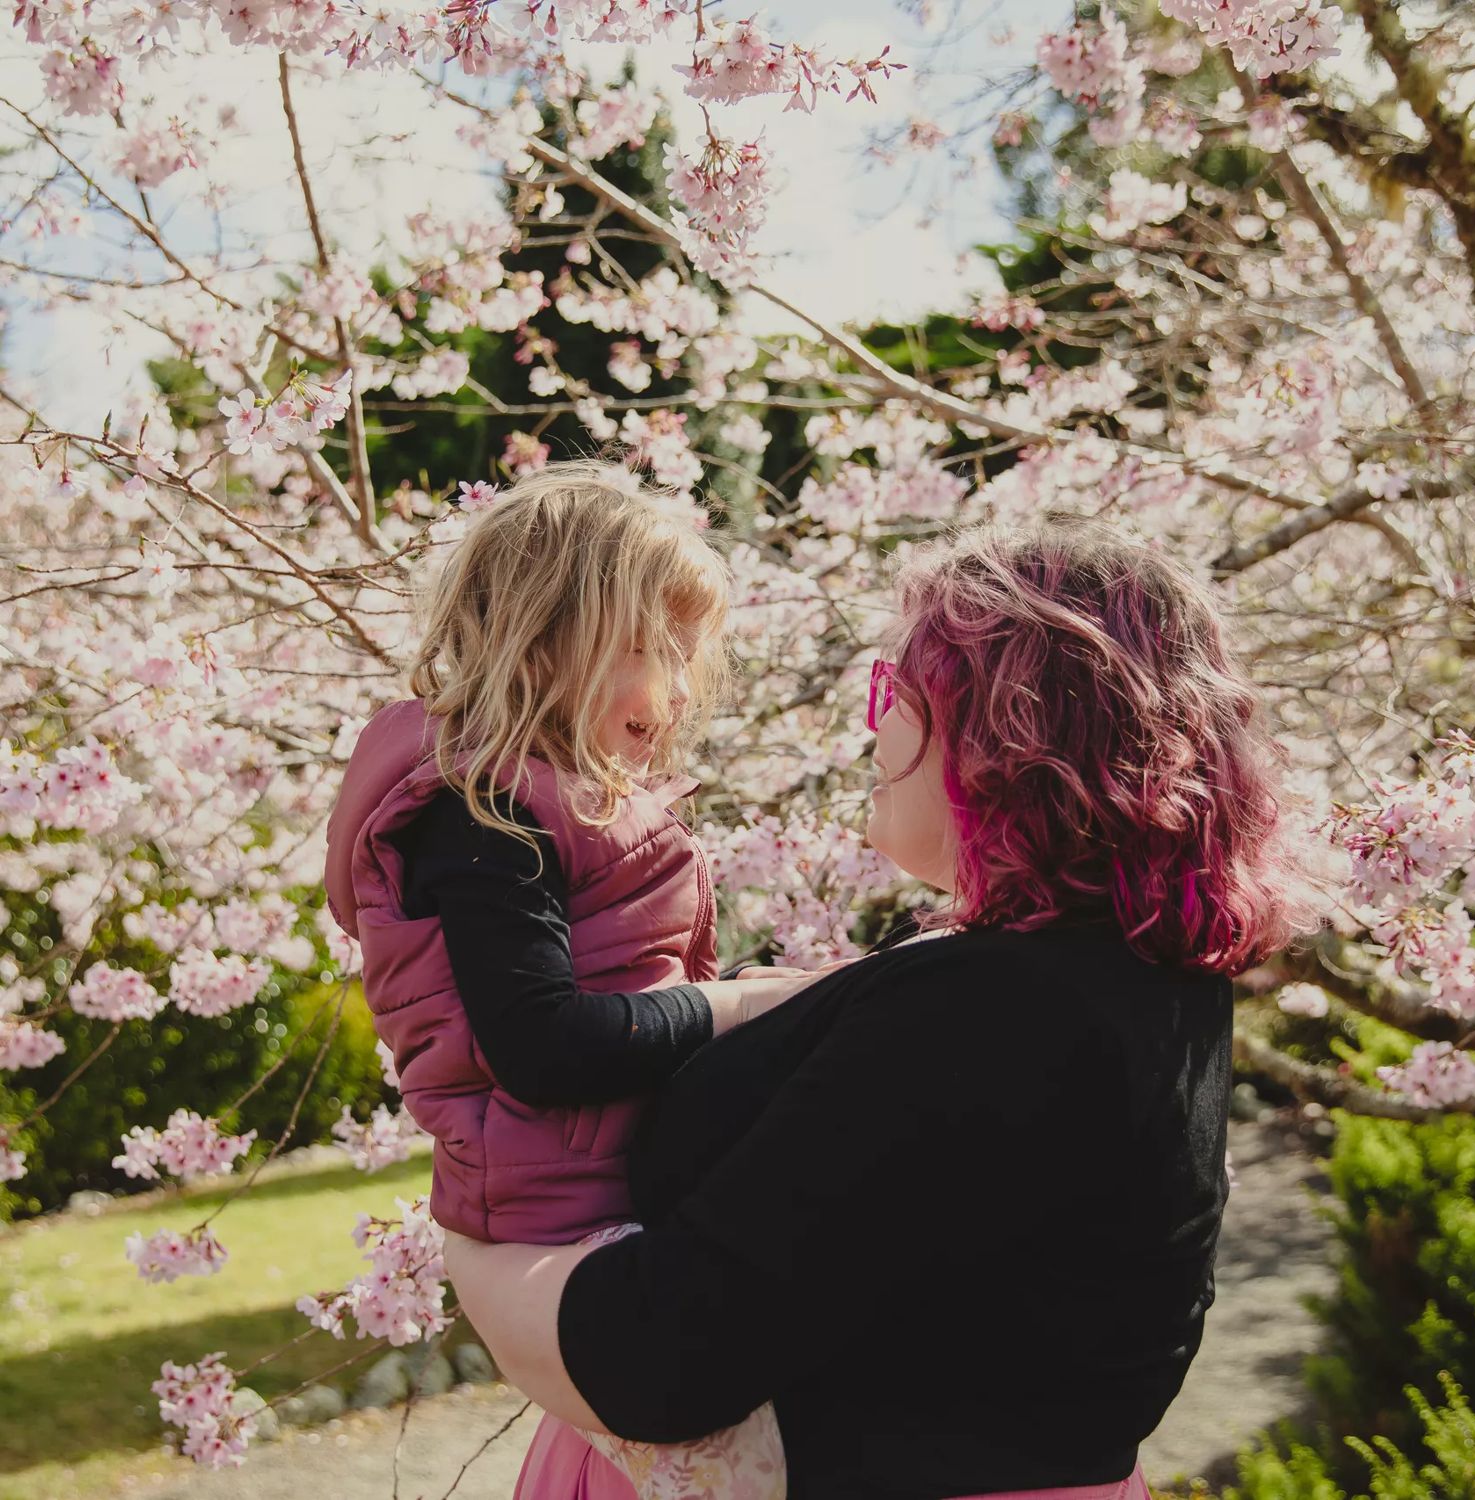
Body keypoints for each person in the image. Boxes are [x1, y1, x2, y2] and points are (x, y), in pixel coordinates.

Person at [442, 515, 1315, 1500]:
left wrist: (475, 1249)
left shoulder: (994, 1011)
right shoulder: (1145, 983)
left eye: (893, 689)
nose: (874, 722)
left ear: (1004, 727)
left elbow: (661, 1358)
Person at [323, 463, 805, 1499]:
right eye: (655, 648)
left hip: (608, 1188)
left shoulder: (552, 801)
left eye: (691, 656)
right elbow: (542, 1049)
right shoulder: (483, 814)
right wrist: (746, 1005)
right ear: (549, 638)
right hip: (559, 1210)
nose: (680, 688)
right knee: (767, 1465)